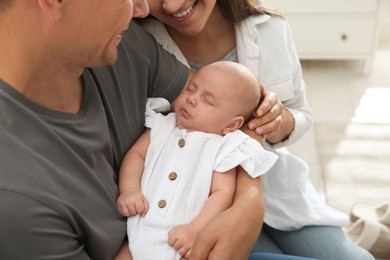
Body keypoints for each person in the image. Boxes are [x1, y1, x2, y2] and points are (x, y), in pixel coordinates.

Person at [0, 0, 312, 259]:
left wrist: (247, 203)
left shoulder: (122, 46)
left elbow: (231, 110)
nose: (140, 9)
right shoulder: (17, 205)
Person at [139, 0, 375, 259]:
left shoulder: (269, 28)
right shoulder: (138, 42)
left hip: (276, 194)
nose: (172, 6)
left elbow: (300, 114)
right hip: (194, 213)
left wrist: (278, 121)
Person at [117, 61, 278, 260]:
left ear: (231, 124)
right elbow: (136, 155)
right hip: (139, 231)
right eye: (191, 89)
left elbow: (222, 193)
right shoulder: (162, 125)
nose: (191, 99)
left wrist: (196, 229)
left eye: (208, 101)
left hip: (184, 244)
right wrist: (129, 190)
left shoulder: (221, 148)